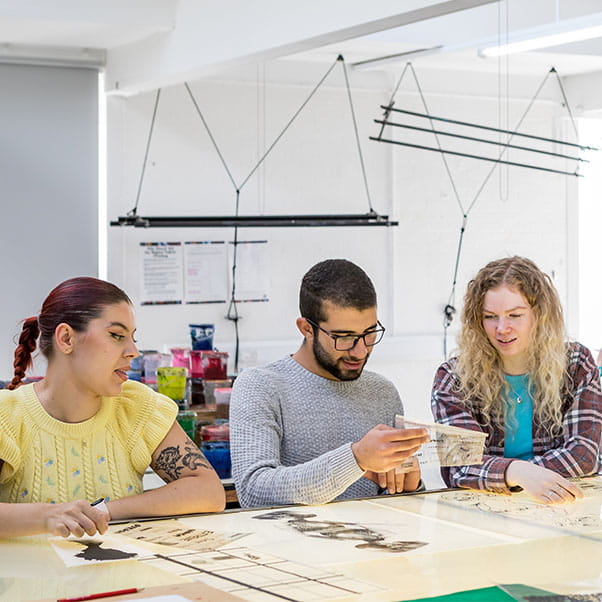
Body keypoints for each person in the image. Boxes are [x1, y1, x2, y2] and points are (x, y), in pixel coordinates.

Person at [0, 277, 225, 538]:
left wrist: (102, 511)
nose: (133, 351)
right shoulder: (7, 417)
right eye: (117, 335)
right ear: (66, 339)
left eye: (132, 338)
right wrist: (49, 516)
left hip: (121, 578)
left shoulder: (137, 407)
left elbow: (209, 492)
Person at [230, 259, 429, 508]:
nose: (360, 351)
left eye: (369, 333)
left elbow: (393, 510)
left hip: (369, 544)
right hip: (289, 544)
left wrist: (409, 488)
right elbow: (254, 492)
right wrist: (355, 459)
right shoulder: (259, 387)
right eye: (343, 337)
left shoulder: (383, 392)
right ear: (306, 328)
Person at [432, 256, 601, 504]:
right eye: (490, 316)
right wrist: (518, 473)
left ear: (539, 315)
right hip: (489, 511)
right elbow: (459, 468)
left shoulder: (576, 363)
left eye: (515, 315)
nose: (502, 328)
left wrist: (506, 473)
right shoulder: (453, 378)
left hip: (568, 506)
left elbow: (583, 454)